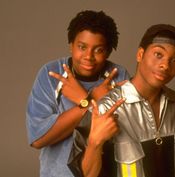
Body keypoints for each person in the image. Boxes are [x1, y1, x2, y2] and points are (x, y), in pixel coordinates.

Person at [67, 24, 175, 177]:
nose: (165, 65)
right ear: (140, 54)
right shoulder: (105, 108)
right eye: (158, 54)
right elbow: (85, 175)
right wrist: (95, 143)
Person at [26, 10, 130, 177]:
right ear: (71, 45)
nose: (88, 56)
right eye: (82, 47)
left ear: (109, 51)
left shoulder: (118, 75)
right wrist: (90, 100)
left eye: (99, 50)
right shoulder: (51, 73)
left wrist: (84, 100)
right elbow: (39, 139)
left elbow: (123, 132)